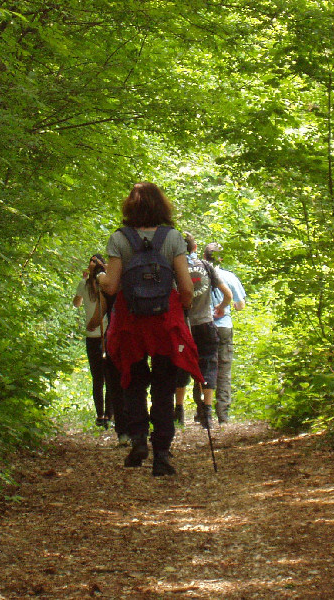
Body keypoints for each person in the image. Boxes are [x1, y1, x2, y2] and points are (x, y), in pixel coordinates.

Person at [97, 183, 201, 476]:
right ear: (162, 206)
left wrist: (100, 278)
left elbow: (112, 286)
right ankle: (162, 455)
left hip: (130, 322)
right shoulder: (172, 238)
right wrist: (184, 311)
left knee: (132, 380)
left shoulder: (119, 239)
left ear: (129, 207)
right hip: (164, 322)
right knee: (164, 387)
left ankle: (139, 440)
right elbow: (185, 288)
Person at [178, 233, 230, 430]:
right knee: (208, 363)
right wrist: (222, 307)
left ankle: (179, 412)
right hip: (206, 323)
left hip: (184, 325)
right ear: (195, 247)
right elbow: (228, 294)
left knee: (181, 364)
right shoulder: (206, 266)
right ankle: (207, 413)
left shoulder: (176, 268)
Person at [203, 242, 246, 424]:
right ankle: (223, 413)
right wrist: (228, 306)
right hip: (224, 326)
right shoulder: (229, 277)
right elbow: (240, 305)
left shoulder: (200, 275)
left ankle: (204, 411)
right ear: (221, 258)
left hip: (204, 325)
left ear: (205, 257)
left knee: (204, 366)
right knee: (224, 369)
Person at [72, 255, 114, 429]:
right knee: (105, 377)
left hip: (98, 336)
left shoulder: (92, 285)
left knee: (100, 378)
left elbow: (76, 303)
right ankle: (106, 415)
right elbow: (77, 303)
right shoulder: (96, 285)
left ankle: (103, 415)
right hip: (102, 336)